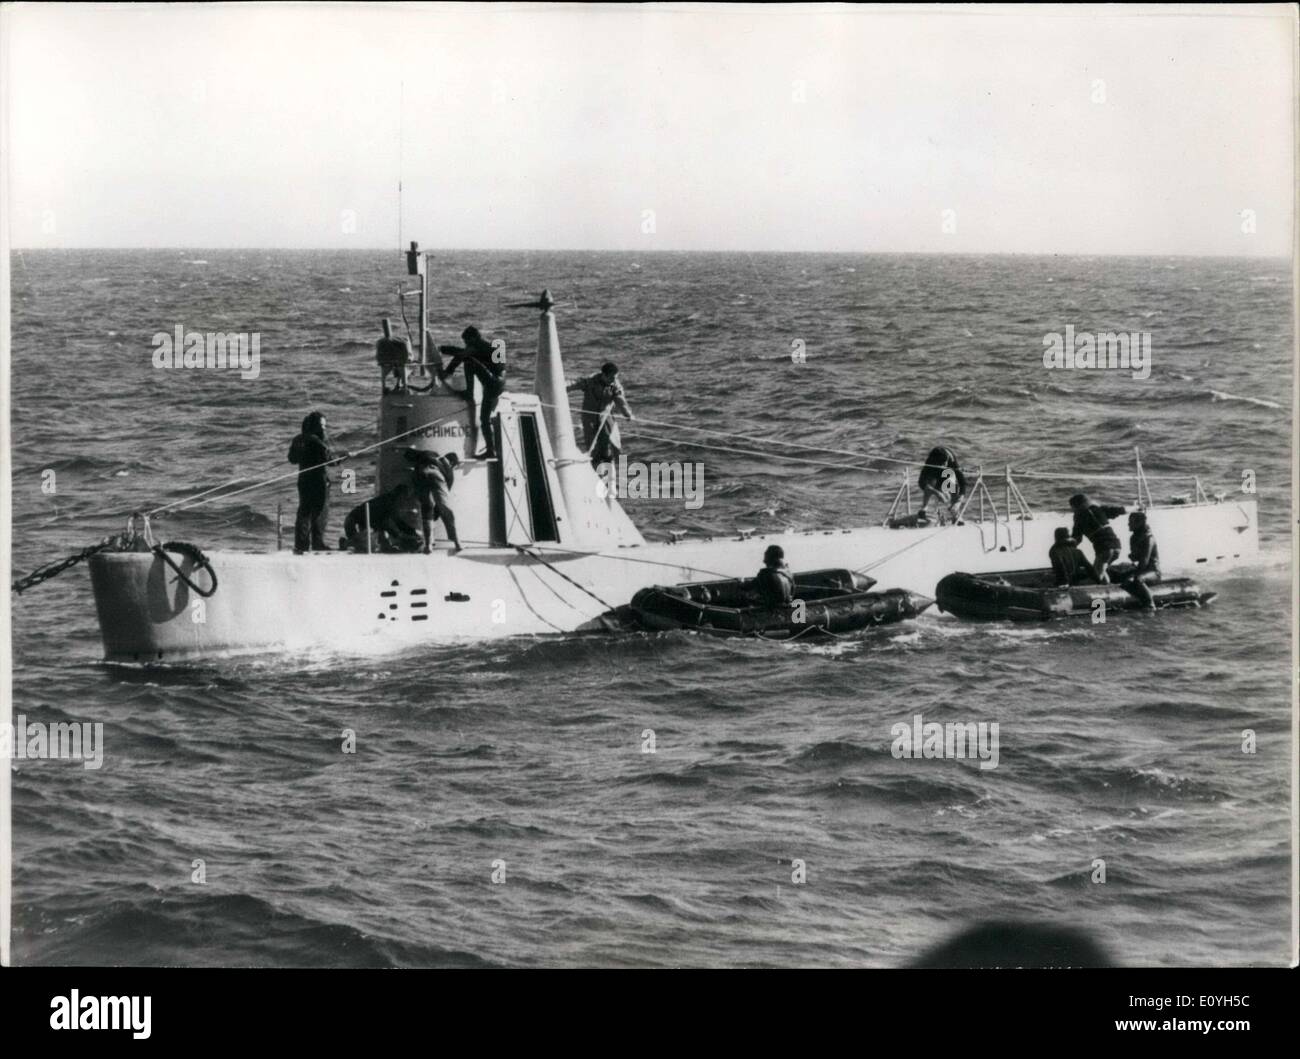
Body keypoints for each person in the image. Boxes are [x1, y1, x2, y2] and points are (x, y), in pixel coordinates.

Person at [438, 326, 505, 459]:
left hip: (492, 383)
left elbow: (462, 354)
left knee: (468, 360)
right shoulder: (489, 347)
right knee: (484, 419)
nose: (466, 344)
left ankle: (468, 392)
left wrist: (442, 350)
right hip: (497, 385)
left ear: (473, 338)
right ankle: (491, 450)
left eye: (466, 341)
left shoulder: (478, 346)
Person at [288, 411, 347, 553]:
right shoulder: (318, 442)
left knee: (304, 512)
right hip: (318, 481)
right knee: (320, 512)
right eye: (322, 426)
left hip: (303, 480)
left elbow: (292, 459)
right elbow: (331, 461)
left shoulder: (297, 439)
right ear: (315, 425)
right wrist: (345, 456)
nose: (324, 429)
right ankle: (317, 543)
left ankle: (300, 545)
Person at [567, 362, 634, 468]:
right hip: (589, 418)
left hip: (605, 416)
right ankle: (595, 467)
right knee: (592, 445)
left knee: (611, 441)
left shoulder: (613, 386)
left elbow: (620, 400)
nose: (614, 380)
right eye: (611, 377)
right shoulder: (590, 381)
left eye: (615, 377)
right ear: (604, 375)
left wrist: (627, 414)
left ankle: (609, 464)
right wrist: (560, 387)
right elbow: (573, 384)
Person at [340, 482, 422, 553]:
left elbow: (390, 524)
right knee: (367, 545)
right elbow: (394, 523)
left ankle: (351, 542)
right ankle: (346, 543)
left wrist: (411, 532)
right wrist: (411, 533)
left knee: (380, 540)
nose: (404, 501)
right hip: (353, 522)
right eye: (404, 498)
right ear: (399, 496)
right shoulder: (388, 503)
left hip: (361, 521)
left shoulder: (388, 500)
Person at [407, 449, 462, 553]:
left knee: (426, 508)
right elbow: (448, 485)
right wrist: (438, 510)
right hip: (435, 474)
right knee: (446, 510)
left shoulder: (427, 455)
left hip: (420, 473)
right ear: (452, 462)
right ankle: (457, 542)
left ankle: (428, 545)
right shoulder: (445, 463)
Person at [1068, 493, 1127, 583]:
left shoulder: (1079, 517)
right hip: (1117, 546)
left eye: (1072, 507)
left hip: (1104, 548)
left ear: (1076, 506)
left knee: (1096, 577)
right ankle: (1108, 589)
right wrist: (1137, 507)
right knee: (1101, 572)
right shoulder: (1098, 509)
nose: (1072, 510)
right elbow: (1120, 510)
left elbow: (1077, 538)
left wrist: (1066, 547)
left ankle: (1082, 590)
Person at [1113, 510, 1160, 610]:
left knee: (1138, 580)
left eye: (1131, 522)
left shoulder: (1149, 538)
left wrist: (1132, 575)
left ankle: (1150, 604)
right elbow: (1135, 557)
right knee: (1115, 572)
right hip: (1140, 569)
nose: (1128, 524)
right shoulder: (1133, 537)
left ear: (1139, 523)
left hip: (1153, 571)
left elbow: (1144, 562)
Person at [918, 446, 967, 522]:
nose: (943, 465)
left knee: (952, 480)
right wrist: (937, 492)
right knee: (930, 482)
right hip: (934, 472)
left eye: (944, 463)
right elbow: (921, 483)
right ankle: (923, 509)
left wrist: (958, 502)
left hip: (947, 472)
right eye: (941, 464)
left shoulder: (951, 461)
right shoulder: (930, 462)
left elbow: (962, 482)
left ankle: (955, 513)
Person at [754, 544, 795, 608]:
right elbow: (793, 591)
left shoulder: (765, 573)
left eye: (766, 554)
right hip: (786, 608)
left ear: (769, 558)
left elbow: (748, 587)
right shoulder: (788, 572)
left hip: (773, 610)